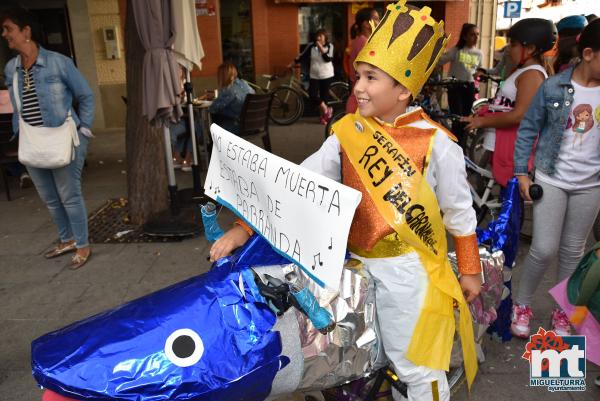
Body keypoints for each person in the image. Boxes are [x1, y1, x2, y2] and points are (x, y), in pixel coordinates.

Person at [211, 2, 482, 400]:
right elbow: (296, 182)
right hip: (349, 270)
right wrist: (243, 227)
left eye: (371, 78)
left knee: (416, 365)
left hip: (409, 275)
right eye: (359, 76)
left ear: (403, 89)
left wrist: (470, 269)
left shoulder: (437, 144)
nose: (358, 87)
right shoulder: (347, 133)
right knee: (360, 361)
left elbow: (460, 214)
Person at [511, 19, 600, 339]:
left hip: (591, 184)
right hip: (552, 178)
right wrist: (522, 172)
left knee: (573, 252)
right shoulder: (553, 87)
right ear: (588, 53)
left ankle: (562, 312)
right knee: (544, 249)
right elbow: (528, 130)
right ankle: (521, 304)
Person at [2, 7, 94, 269]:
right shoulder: (12, 68)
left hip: (64, 138)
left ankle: (83, 245)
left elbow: (86, 95)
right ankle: (66, 240)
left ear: (26, 31)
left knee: (69, 196)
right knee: (50, 198)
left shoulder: (58, 62)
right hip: (31, 140)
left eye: (9, 29)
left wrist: (84, 131)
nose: (4, 34)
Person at [462, 18, 557, 187]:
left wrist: (482, 121)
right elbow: (507, 104)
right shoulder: (522, 70)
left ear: (530, 48)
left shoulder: (532, 74)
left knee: (507, 200)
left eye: (513, 44)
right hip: (500, 142)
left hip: (513, 147)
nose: (508, 49)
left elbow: (519, 115)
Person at [437, 23, 483, 145]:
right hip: (455, 87)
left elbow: (479, 69)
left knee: (466, 119)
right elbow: (440, 61)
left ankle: (461, 146)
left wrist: (478, 73)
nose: (476, 37)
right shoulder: (456, 51)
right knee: (457, 118)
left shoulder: (479, 53)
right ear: (465, 36)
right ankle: (454, 144)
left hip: (470, 87)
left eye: (477, 35)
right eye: (472, 35)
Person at [291, 29, 335, 125]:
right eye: (317, 36)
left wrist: (321, 49)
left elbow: (328, 59)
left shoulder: (330, 46)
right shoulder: (311, 46)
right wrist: (291, 64)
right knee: (313, 95)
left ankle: (324, 117)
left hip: (326, 75)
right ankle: (327, 110)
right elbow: (302, 56)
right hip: (314, 75)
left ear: (325, 38)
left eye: (321, 36)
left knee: (324, 97)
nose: (318, 38)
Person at [345, 7, 380, 113]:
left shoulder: (361, 41)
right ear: (366, 24)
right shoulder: (363, 43)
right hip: (362, 101)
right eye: (376, 19)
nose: (379, 22)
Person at [208, 62, 254, 135]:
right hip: (253, 124)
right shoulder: (244, 84)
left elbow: (212, 109)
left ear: (222, 76)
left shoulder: (228, 89)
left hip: (236, 126)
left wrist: (213, 100)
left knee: (208, 123)